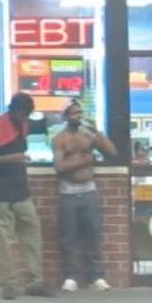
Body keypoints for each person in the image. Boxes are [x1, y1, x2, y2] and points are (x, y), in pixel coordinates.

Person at [0, 92, 54, 300]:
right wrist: (13, 158)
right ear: (15, 111)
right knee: (4, 241)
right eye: (24, 114)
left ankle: (35, 281)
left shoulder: (22, 125)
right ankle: (9, 284)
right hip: (0, 192)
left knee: (32, 234)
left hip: (20, 189)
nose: (26, 119)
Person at [51, 99, 118, 292]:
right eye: (73, 113)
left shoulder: (87, 136)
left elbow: (112, 152)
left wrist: (97, 131)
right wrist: (86, 160)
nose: (77, 116)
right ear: (65, 116)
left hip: (89, 191)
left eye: (79, 113)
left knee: (93, 235)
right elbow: (59, 166)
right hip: (68, 193)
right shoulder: (59, 139)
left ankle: (96, 276)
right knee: (68, 237)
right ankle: (70, 276)